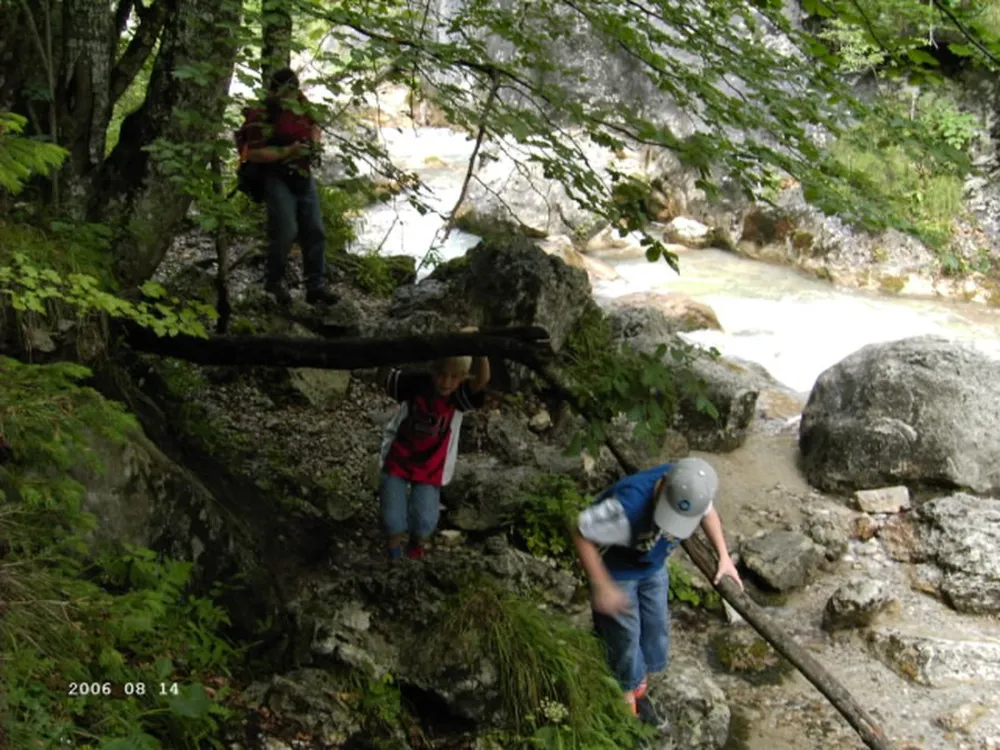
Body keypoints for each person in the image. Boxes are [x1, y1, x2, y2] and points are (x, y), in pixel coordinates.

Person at [572, 457, 741, 729]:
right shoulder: (627, 505)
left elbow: (707, 513)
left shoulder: (693, 487)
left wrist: (723, 556)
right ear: (662, 487)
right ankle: (626, 704)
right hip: (618, 570)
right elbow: (581, 533)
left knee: (656, 630)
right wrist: (602, 585)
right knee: (625, 636)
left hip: (653, 565)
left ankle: (639, 687)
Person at [376, 331, 490, 560]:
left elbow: (482, 380)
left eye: (453, 377)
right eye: (441, 374)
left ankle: (417, 545)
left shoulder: (459, 397)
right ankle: (393, 548)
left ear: (462, 378)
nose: (446, 382)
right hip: (399, 457)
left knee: (425, 517)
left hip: (431, 466)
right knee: (391, 514)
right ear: (432, 370)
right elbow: (385, 379)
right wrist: (392, 349)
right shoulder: (416, 383)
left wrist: (480, 348)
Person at [241, 67, 337, 306]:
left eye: (293, 92)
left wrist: (314, 142)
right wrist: (288, 151)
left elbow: (315, 127)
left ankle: (316, 286)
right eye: (285, 92)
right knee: (285, 230)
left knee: (314, 230)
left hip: (303, 175)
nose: (290, 97)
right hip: (276, 177)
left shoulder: (302, 104)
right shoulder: (262, 115)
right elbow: (252, 153)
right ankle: (273, 283)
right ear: (274, 91)